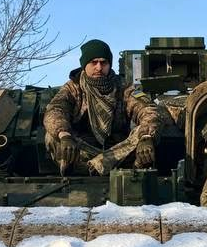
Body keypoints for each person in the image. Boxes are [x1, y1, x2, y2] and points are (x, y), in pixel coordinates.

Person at [43, 39, 162, 174]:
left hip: (117, 151)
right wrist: (64, 135)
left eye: (103, 62)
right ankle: (82, 168)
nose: (99, 68)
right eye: (94, 63)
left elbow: (149, 110)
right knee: (52, 136)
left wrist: (146, 137)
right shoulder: (73, 87)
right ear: (84, 65)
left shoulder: (124, 87)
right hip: (82, 149)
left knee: (145, 134)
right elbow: (55, 110)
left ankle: (94, 167)